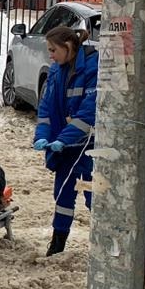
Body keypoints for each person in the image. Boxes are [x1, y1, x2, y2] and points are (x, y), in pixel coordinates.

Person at [33, 26, 98, 256]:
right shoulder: (56, 70)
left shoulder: (92, 66)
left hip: (91, 150)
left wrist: (62, 138)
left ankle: (103, 248)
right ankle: (57, 245)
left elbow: (89, 113)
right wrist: (42, 135)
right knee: (62, 196)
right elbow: (46, 108)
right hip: (67, 151)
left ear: (68, 47)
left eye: (53, 50)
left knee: (95, 196)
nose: (50, 55)